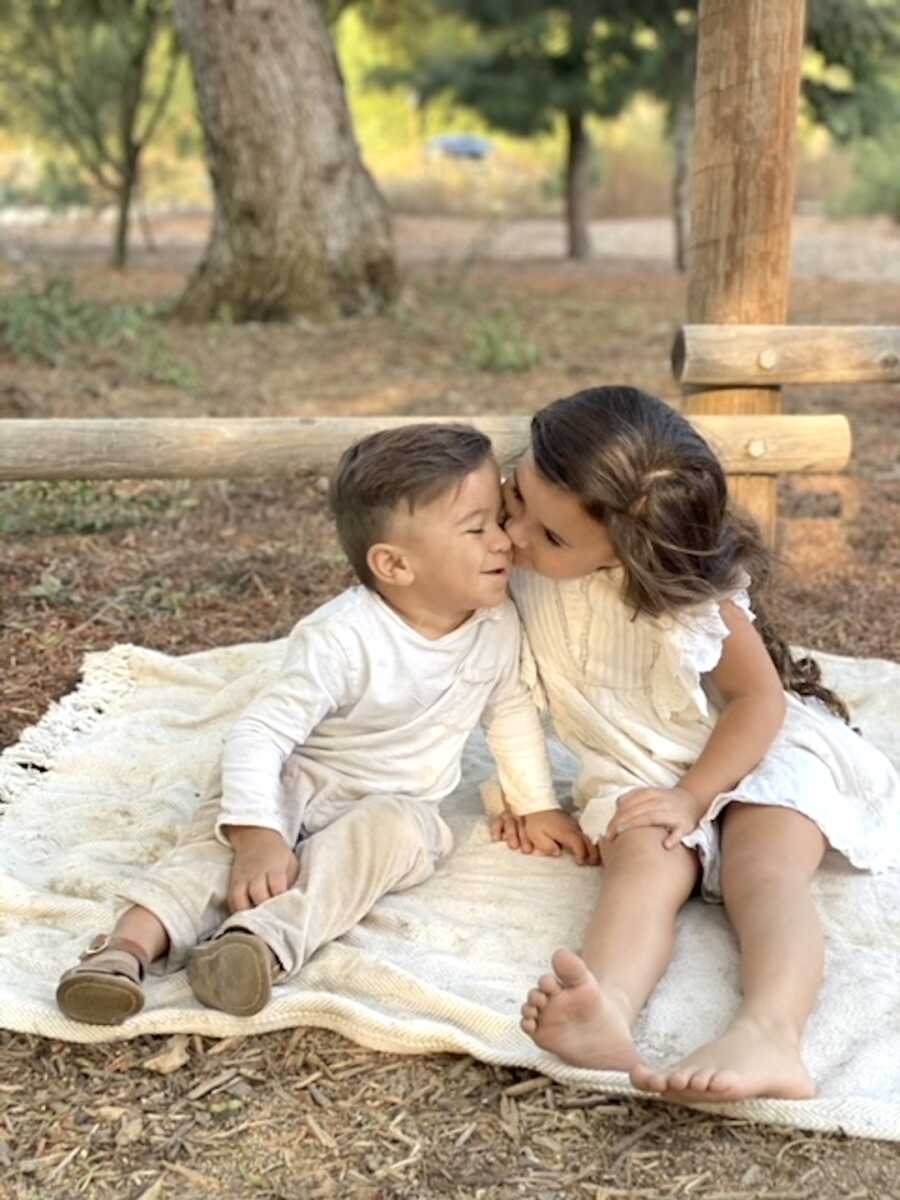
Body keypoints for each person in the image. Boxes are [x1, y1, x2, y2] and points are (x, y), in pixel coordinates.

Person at [57, 422, 594, 1026]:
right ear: (394, 564)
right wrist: (258, 831)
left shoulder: (496, 626)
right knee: (215, 852)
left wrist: (537, 803)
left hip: (396, 801)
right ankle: (125, 949)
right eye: (478, 529)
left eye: (499, 518)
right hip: (299, 776)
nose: (504, 542)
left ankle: (256, 944)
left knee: (389, 839)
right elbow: (259, 736)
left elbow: (512, 711)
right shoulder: (342, 637)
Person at [492, 386, 900, 1102]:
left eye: (551, 536)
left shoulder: (681, 600)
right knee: (638, 869)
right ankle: (607, 1006)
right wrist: (525, 798)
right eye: (516, 497)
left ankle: (772, 1033)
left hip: (753, 753)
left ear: (630, 548)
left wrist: (695, 795)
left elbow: (757, 699)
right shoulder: (516, 574)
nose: (518, 533)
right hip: (636, 767)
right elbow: (502, 692)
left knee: (761, 870)